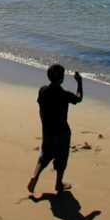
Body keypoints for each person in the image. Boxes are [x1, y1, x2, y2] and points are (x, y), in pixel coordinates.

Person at [28, 64, 83, 194]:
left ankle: (34, 176)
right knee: (62, 157)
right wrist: (79, 82)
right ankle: (58, 184)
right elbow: (79, 98)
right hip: (62, 131)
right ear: (61, 79)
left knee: (45, 155)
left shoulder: (42, 91)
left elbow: (40, 106)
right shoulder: (64, 94)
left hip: (47, 130)